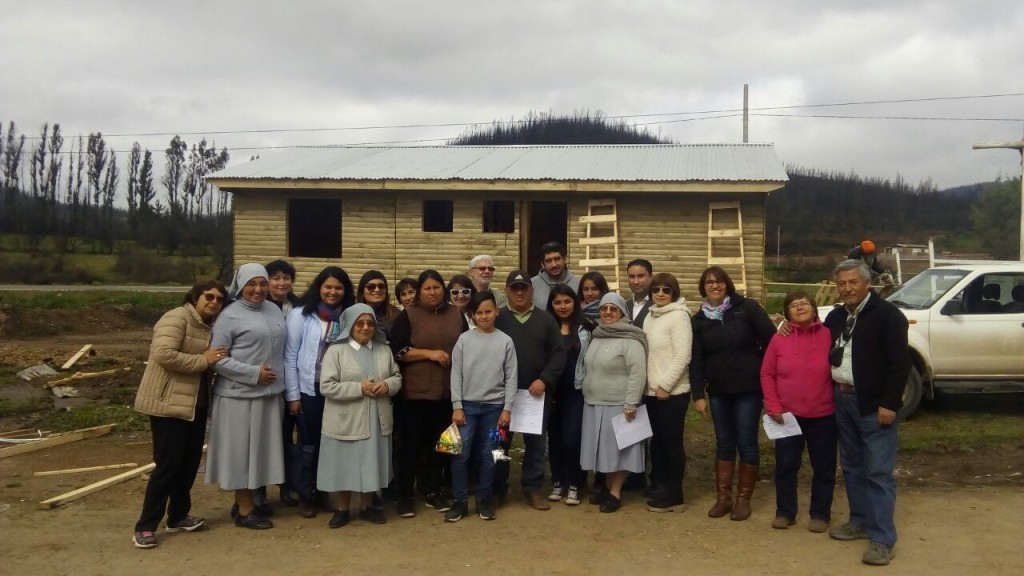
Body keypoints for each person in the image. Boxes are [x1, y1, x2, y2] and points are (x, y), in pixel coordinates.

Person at [131, 280, 228, 549]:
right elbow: (164, 354)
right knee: (167, 466)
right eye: (209, 296)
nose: (214, 302)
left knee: (188, 464)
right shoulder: (176, 318)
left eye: (220, 299)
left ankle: (178, 516)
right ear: (195, 297)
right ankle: (145, 526)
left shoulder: (208, 324)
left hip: (194, 406)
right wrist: (204, 361)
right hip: (167, 404)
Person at [824, 260, 909, 566]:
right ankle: (859, 521)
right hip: (842, 401)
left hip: (874, 404)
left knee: (878, 472)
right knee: (852, 467)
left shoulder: (888, 316)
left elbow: (900, 364)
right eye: (841, 283)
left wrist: (889, 403)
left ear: (867, 283)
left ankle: (883, 538)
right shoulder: (835, 316)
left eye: (852, 282)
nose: (847, 288)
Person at [690, 266, 777, 521]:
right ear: (703, 288)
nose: (714, 286)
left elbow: (771, 339)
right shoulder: (699, 321)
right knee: (724, 443)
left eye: (719, 282)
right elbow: (696, 360)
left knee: (747, 443)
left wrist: (758, 364)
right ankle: (724, 497)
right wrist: (698, 395)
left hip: (748, 389)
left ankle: (743, 499)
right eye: (709, 283)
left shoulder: (746, 308)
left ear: (727, 284)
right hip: (718, 390)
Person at [206, 263, 288, 530]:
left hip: (268, 395)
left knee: (260, 452)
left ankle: (249, 500)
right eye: (252, 284)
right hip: (237, 397)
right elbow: (217, 360)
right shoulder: (229, 316)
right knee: (241, 453)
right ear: (240, 285)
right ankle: (244, 510)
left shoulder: (274, 309)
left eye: (262, 283)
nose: (258, 289)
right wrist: (253, 374)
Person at [389, 269, 467, 518]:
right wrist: (429, 353)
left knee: (441, 446)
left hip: (447, 394)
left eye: (436, 287)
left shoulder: (456, 314)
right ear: (419, 291)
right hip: (415, 394)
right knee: (410, 446)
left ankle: (432, 490)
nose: (432, 292)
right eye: (427, 288)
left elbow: (467, 347)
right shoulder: (408, 316)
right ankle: (405, 495)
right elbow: (397, 351)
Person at [317, 304, 402, 528]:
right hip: (347, 418)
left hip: (376, 417)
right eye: (360, 323)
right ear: (350, 326)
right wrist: (358, 388)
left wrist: (387, 385)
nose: (366, 328)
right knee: (345, 464)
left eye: (370, 323)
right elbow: (326, 386)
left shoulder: (383, 349)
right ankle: (342, 508)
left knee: (372, 461)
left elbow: (397, 376)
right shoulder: (336, 351)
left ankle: (366, 506)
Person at [760, 291, 837, 533]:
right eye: (794, 305)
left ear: (815, 309)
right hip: (787, 416)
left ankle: (820, 514)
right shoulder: (779, 338)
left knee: (823, 468)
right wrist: (773, 406)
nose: (800, 307)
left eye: (805, 303)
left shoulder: (829, 335)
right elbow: (767, 373)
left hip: (823, 414)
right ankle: (785, 512)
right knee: (785, 466)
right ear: (787, 313)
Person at [283, 266, 355, 518]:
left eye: (338, 287)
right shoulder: (302, 315)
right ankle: (305, 494)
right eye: (328, 287)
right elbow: (290, 355)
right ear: (319, 287)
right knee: (308, 444)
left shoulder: (347, 316)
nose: (333, 292)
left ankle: (324, 490)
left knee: (330, 444)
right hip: (309, 389)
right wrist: (293, 395)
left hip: (337, 389)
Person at [494, 270, 566, 510]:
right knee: (499, 444)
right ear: (506, 292)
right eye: (514, 288)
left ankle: (532, 488)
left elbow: (558, 354)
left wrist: (544, 379)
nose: (520, 292)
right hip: (502, 396)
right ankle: (497, 488)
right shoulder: (498, 318)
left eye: (524, 288)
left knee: (535, 445)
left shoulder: (546, 320)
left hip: (535, 395)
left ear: (532, 291)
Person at [445, 291, 518, 522]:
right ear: (472, 315)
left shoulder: (505, 341)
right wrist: (457, 405)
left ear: (496, 311)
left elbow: (511, 377)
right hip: (466, 408)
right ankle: (460, 501)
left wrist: (507, 408)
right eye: (479, 313)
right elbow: (455, 374)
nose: (484, 316)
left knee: (490, 454)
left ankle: (485, 498)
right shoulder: (464, 340)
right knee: (459, 453)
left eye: (488, 311)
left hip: (494, 409)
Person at [580, 293, 648, 513]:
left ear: (622, 312)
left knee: (619, 451)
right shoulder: (598, 335)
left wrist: (631, 403)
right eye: (604, 308)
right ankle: (608, 486)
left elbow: (637, 373)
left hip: (619, 404)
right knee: (604, 450)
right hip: (594, 401)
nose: (607, 312)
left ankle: (615, 492)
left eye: (613, 308)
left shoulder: (631, 339)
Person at [641, 272, 692, 513]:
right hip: (651, 391)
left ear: (675, 293)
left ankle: (675, 495)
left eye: (666, 289)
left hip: (672, 393)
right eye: (656, 289)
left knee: (671, 443)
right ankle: (659, 485)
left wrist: (665, 385)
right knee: (657, 443)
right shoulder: (651, 316)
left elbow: (683, 356)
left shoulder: (679, 317)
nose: (660, 293)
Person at [545, 284, 592, 506]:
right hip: (552, 392)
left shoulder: (586, 328)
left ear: (574, 302)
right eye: (557, 302)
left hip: (576, 391)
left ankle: (575, 483)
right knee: (554, 440)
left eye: (567, 301)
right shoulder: (546, 326)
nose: (562, 306)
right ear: (551, 305)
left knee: (572, 439)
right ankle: (558, 482)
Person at [260, 259, 301, 510]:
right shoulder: (258, 307)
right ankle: (258, 491)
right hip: (266, 381)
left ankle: (287, 486)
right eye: (275, 278)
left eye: (286, 277)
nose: (281, 282)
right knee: (264, 438)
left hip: (293, 383)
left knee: (287, 438)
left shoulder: (298, 307)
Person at [531, 240, 581, 309]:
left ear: (565, 259)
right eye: (548, 261)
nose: (554, 265)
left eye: (557, 259)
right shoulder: (532, 285)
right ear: (542, 264)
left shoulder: (579, 284)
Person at [357, 270, 401, 340]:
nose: (377, 290)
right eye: (371, 286)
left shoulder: (396, 314)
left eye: (381, 286)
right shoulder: (354, 314)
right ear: (362, 291)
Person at [625, 258, 654, 327]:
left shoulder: (658, 305)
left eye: (640, 276)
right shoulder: (625, 306)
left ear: (651, 277)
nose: (636, 282)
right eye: (632, 277)